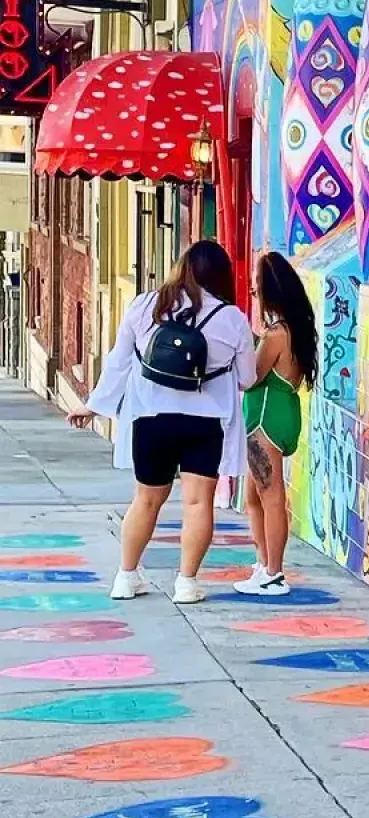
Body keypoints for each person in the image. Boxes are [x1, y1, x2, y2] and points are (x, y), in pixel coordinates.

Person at [68, 240, 255, 604]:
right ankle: (186, 583)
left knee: (145, 500)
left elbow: (119, 362)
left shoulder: (144, 306)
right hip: (204, 424)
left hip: (151, 420)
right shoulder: (233, 319)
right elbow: (246, 379)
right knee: (198, 503)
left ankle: (126, 576)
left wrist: (93, 406)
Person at [236, 251, 319, 596]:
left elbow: (250, 378)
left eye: (257, 289)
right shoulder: (297, 330)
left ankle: (274, 572)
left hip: (265, 421)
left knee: (271, 497)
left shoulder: (274, 336)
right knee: (253, 498)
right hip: (284, 416)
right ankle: (263, 563)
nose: (254, 294)